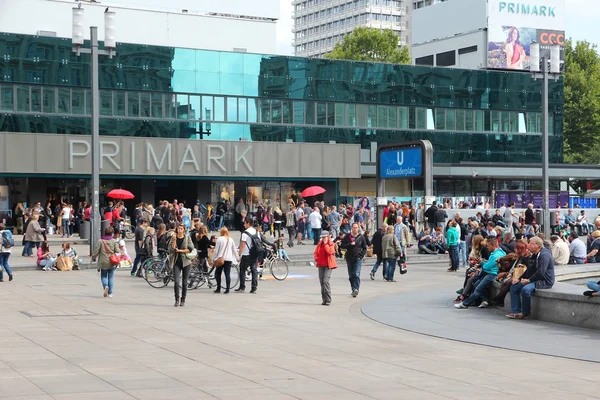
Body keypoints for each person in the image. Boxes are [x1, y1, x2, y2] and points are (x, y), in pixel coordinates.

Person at [507, 236, 555, 319]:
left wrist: (528, 280)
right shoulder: (535, 254)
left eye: (531, 243)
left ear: (538, 245)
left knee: (525, 290)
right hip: (535, 278)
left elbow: (541, 273)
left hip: (544, 280)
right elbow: (529, 269)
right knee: (514, 287)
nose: (528, 245)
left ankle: (525, 312)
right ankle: (515, 311)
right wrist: (518, 279)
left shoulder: (544, 255)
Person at [455, 238, 506, 309]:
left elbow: (487, 267)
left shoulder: (495, 255)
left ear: (492, 245)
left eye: (488, 246)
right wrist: (483, 263)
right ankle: (484, 299)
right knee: (476, 285)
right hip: (491, 273)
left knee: (478, 289)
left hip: (492, 274)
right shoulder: (501, 252)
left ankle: (465, 303)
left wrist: (482, 263)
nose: (487, 248)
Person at [169, 224, 194, 307]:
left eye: (181, 229)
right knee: (176, 281)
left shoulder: (187, 238)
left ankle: (183, 299)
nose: (179, 230)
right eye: (178, 228)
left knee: (184, 282)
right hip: (176, 262)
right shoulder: (174, 237)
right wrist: (174, 240)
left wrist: (179, 250)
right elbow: (171, 249)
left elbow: (190, 249)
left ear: (184, 230)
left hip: (186, 262)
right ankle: (177, 299)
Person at [340, 223, 368, 298]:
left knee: (356, 273)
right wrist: (350, 244)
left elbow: (365, 247)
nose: (355, 229)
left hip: (358, 258)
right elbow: (342, 246)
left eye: (356, 227)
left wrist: (361, 255)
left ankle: (356, 289)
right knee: (351, 275)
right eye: (354, 227)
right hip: (349, 258)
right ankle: (353, 288)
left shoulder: (361, 237)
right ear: (352, 228)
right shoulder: (347, 236)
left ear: (358, 228)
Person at [91, 227, 120, 298]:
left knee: (103, 276)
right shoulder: (114, 241)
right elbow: (118, 251)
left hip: (103, 262)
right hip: (112, 261)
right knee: (111, 277)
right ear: (112, 233)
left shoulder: (100, 241)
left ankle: (105, 286)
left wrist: (93, 258)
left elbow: (96, 251)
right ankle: (110, 293)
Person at [236, 216, 260, 294]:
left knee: (242, 270)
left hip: (246, 254)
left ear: (248, 223)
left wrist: (239, 254)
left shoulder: (245, 233)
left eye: (245, 223)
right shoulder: (257, 232)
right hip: (255, 254)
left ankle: (242, 287)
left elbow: (242, 245)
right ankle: (254, 287)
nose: (244, 225)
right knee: (254, 270)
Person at [313, 230, 336, 306]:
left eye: (325, 237)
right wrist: (317, 259)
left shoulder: (331, 244)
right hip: (321, 265)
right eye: (322, 237)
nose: (323, 239)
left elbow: (330, 252)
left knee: (326, 281)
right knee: (322, 283)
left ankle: (328, 299)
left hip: (328, 265)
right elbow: (316, 252)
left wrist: (326, 244)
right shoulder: (319, 244)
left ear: (328, 236)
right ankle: (324, 300)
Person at [212, 227, 238, 294]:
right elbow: (234, 250)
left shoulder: (219, 239)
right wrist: (237, 258)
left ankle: (218, 288)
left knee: (217, 273)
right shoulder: (231, 239)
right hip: (228, 259)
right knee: (227, 274)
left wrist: (214, 258)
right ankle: (227, 289)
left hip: (220, 259)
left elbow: (216, 250)